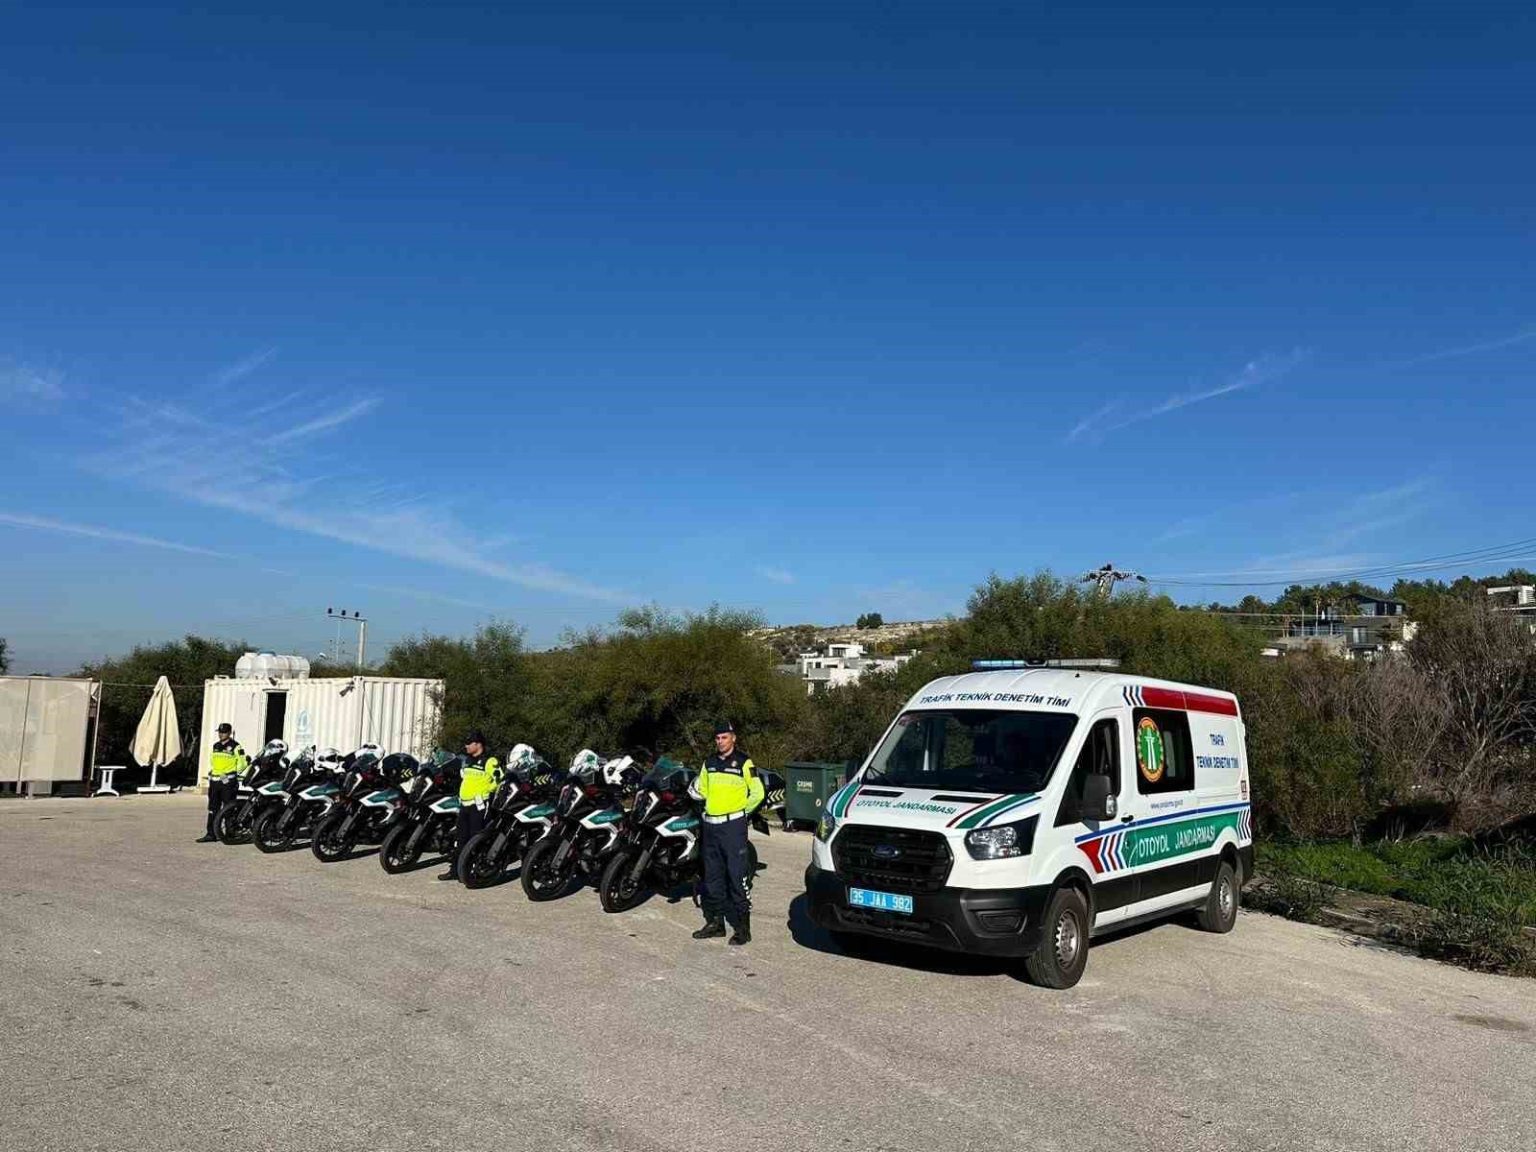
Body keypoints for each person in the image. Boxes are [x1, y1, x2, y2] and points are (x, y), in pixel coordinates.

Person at [690, 721, 764, 945]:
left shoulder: (744, 762)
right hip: (710, 827)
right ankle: (716, 924)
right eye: (717, 738)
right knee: (712, 877)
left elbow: (758, 793)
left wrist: (742, 814)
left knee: (736, 876)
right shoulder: (709, 763)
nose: (720, 741)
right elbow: (702, 790)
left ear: (733, 738)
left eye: (724, 737)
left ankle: (743, 928)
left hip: (732, 828)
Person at [440, 729, 500, 881]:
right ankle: (455, 870)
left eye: (469, 743)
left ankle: (472, 871)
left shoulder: (490, 761)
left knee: (475, 840)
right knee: (460, 839)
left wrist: (485, 792)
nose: (466, 746)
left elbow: (498, 781)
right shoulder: (467, 760)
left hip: (479, 806)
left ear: (478, 744)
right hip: (464, 805)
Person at [198, 723, 247, 843]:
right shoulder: (216, 746)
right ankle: (211, 834)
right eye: (220, 732)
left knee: (228, 807)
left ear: (229, 733)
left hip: (227, 781)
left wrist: (231, 773)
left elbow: (243, 763)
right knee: (212, 808)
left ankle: (230, 833)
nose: (221, 734)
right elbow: (213, 760)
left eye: (224, 732)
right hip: (215, 781)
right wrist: (213, 771)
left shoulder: (236, 746)